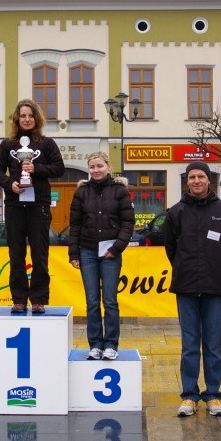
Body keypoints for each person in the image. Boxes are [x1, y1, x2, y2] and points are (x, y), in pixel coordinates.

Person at [164, 162, 221, 417]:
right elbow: (171, 249)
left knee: (213, 344)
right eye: (192, 177)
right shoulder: (176, 212)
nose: (197, 180)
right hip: (186, 286)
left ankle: (213, 395)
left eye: (201, 176)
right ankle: (189, 396)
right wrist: (185, 268)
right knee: (190, 344)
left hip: (216, 287)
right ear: (187, 181)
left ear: (209, 180)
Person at [0, 99, 65, 314]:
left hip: (39, 206)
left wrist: (36, 169)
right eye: (23, 116)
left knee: (40, 255)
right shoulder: (7, 145)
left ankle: (39, 299)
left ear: (37, 119)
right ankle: (19, 299)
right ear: (17, 119)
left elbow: (59, 168)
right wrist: (9, 184)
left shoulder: (47, 143)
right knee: (16, 255)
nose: (27, 119)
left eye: (30, 116)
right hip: (14, 205)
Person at [68, 152, 135, 361]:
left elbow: (128, 223)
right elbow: (75, 225)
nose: (96, 170)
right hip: (87, 251)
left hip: (110, 252)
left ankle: (111, 344)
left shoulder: (120, 191)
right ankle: (95, 344)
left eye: (99, 166)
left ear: (108, 167)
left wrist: (117, 247)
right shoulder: (81, 192)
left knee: (110, 300)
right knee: (92, 301)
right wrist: (73, 252)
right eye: (92, 167)